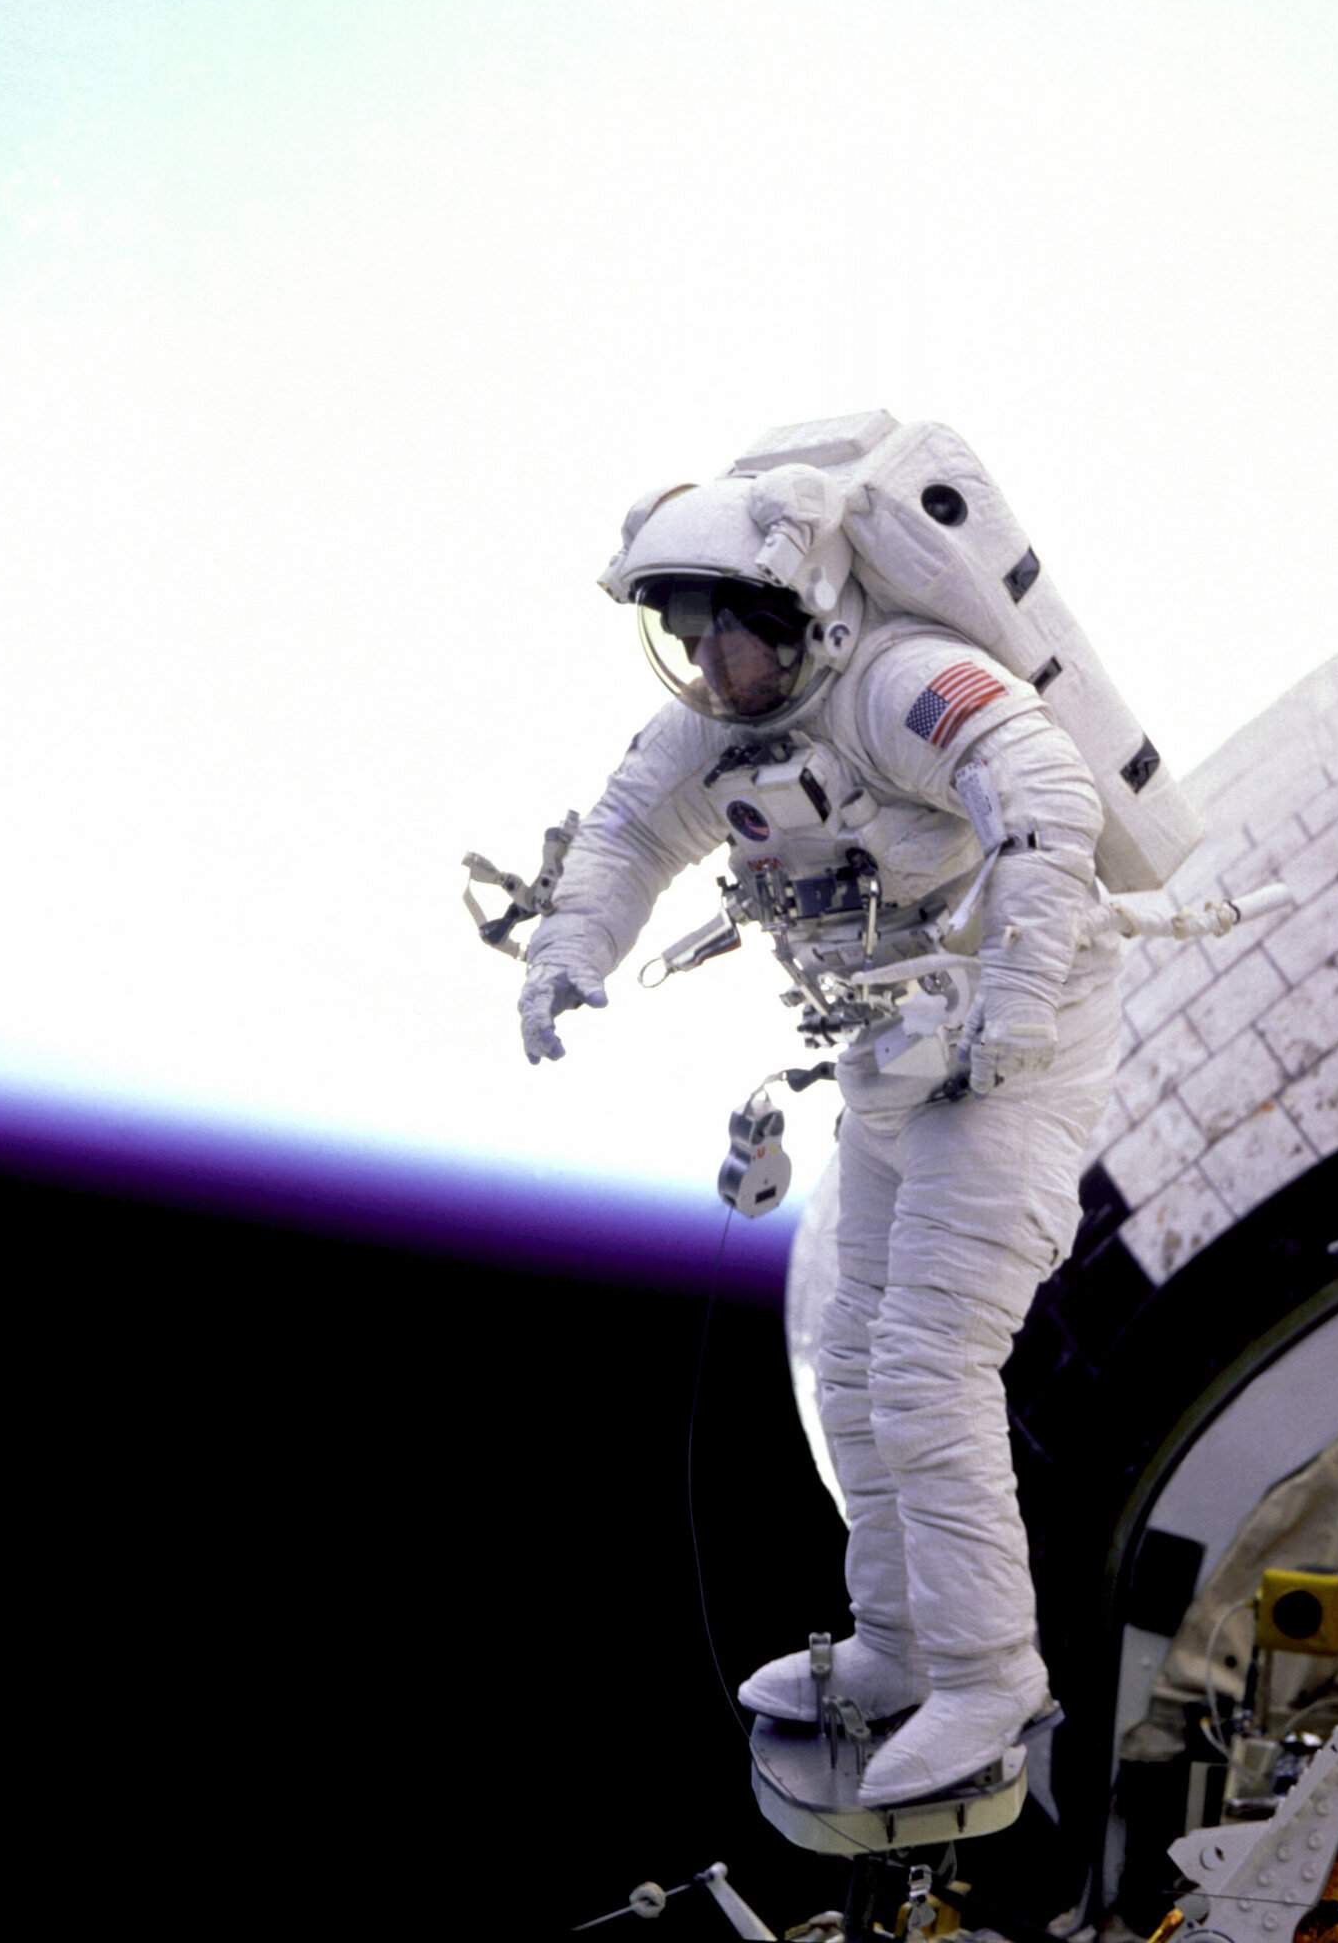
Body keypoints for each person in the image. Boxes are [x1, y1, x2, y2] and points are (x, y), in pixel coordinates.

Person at [518, 459, 1122, 1807]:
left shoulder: (901, 684)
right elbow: (622, 835)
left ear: (803, 616)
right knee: (852, 1367)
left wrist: (1017, 1000)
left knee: (924, 1368)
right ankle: (899, 1646)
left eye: (728, 631)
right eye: (686, 638)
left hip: (1007, 1058)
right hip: (897, 1056)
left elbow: (1038, 795)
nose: (709, 663)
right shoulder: (723, 731)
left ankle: (985, 1675)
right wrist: (568, 952)